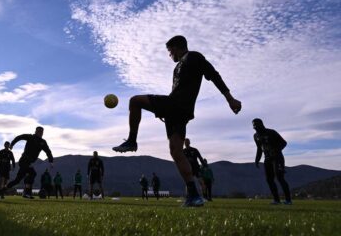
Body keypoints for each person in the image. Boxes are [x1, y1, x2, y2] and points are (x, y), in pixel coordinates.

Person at [112, 35, 242, 208]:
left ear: (176, 47)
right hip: (177, 111)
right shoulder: (177, 69)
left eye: (170, 51)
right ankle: (194, 196)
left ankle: (132, 141)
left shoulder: (193, 57)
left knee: (135, 101)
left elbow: (213, 74)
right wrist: (164, 112)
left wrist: (230, 99)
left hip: (177, 105)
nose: (169, 55)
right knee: (176, 151)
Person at [0, 126, 53, 199]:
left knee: (18, 180)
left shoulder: (42, 142)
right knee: (32, 173)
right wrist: (12, 144)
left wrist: (51, 161)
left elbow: (48, 151)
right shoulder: (30, 137)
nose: (40, 133)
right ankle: (27, 192)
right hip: (24, 160)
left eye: (41, 132)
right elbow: (19, 137)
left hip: (29, 163)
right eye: (39, 131)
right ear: (35, 131)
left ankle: (4, 189)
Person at [253, 118, 292, 205]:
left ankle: (288, 200)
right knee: (269, 179)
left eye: (256, 125)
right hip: (267, 159)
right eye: (254, 126)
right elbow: (259, 148)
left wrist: (276, 151)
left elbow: (284, 143)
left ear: (261, 124)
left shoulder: (271, 132)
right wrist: (257, 160)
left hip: (277, 158)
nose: (255, 127)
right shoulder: (256, 136)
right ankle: (276, 200)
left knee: (280, 178)